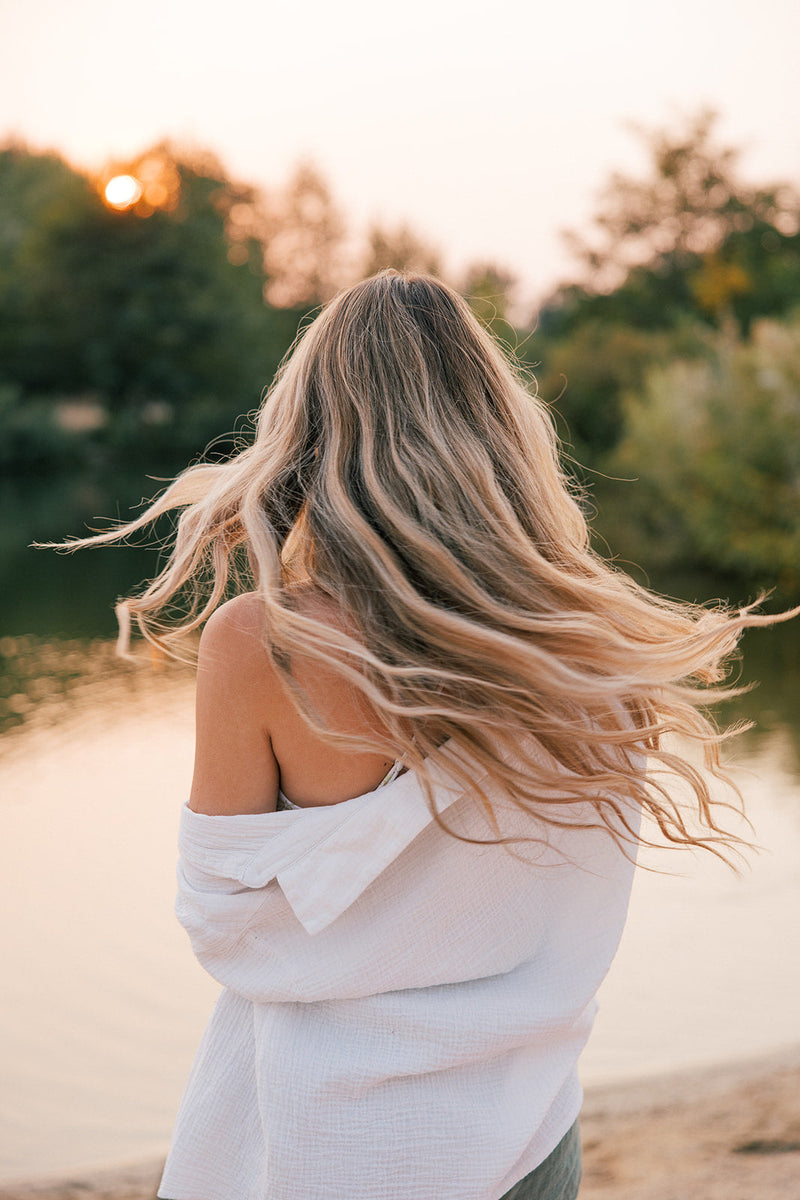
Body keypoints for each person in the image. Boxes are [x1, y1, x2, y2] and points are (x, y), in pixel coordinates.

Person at [60, 270, 795, 1200]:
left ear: (307, 433)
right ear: (504, 430)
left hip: (346, 1144)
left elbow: (223, 924)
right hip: (524, 1134)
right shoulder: (595, 653)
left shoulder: (265, 641)